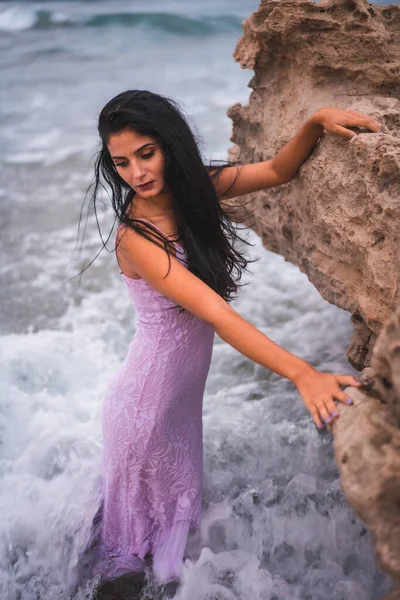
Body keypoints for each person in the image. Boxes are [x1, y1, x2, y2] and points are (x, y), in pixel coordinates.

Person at [87, 90, 380, 586]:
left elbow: (277, 171)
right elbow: (217, 314)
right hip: (143, 409)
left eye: (146, 153)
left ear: (170, 146)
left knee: (170, 558)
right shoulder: (136, 237)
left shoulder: (196, 189)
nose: (136, 173)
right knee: (132, 566)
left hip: (178, 408)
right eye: (121, 163)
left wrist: (314, 122)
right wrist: (301, 373)